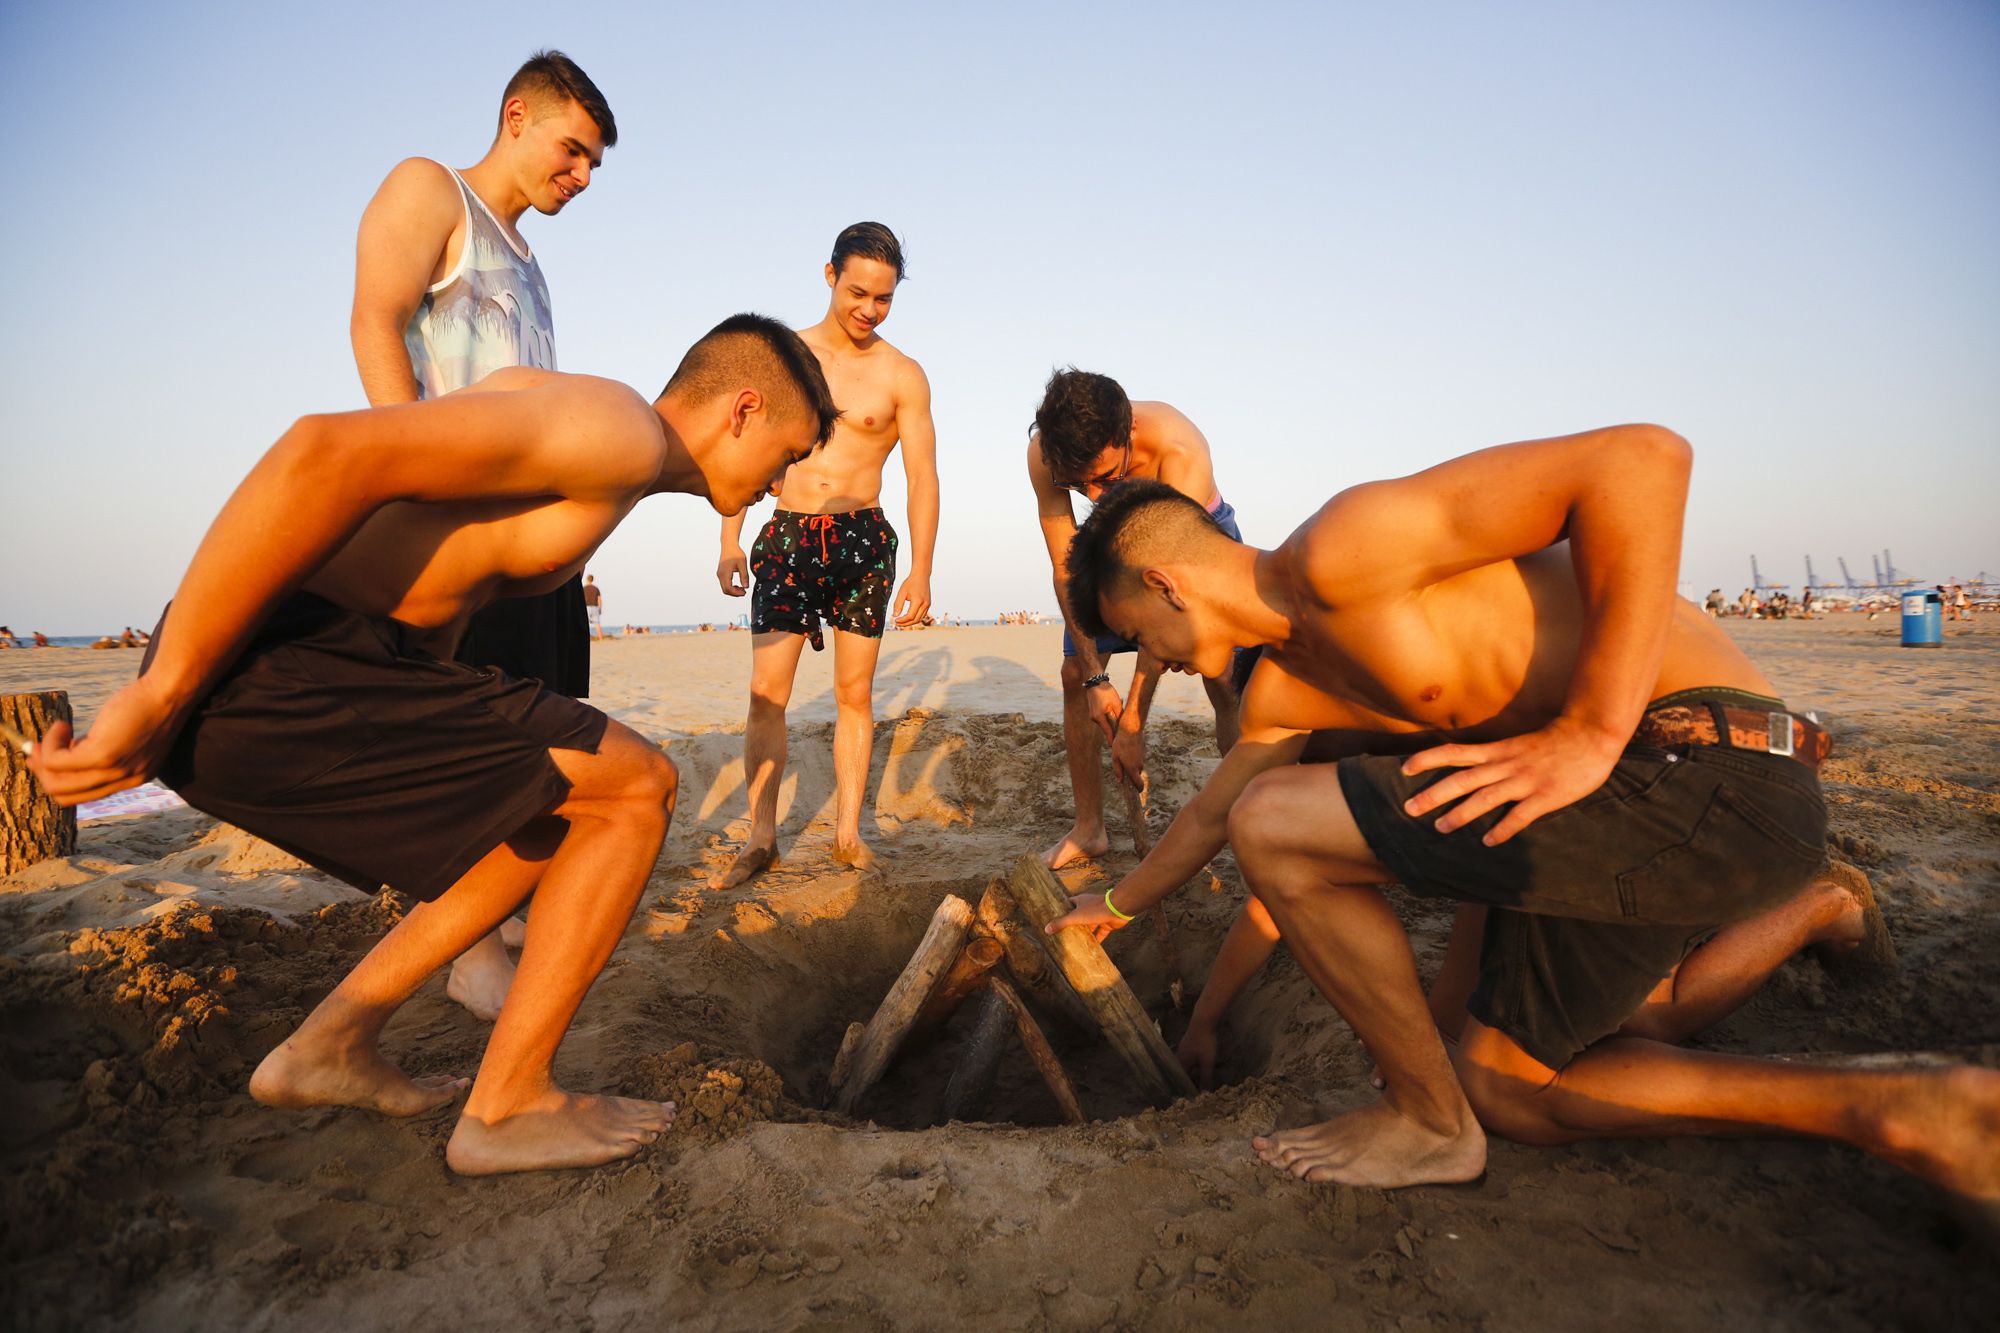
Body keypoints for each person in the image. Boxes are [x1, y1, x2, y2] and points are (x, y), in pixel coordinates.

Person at [1048, 426, 1999, 1213]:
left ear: (1165, 586)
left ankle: (1426, 1123)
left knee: (1277, 819)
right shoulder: (1286, 692)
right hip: (1611, 810)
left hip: (1709, 764)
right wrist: (1118, 909)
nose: (1153, 660)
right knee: (1504, 1083)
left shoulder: (1345, 547)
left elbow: (1643, 461)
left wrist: (1592, 728)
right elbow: (1210, 813)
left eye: (1137, 638)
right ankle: (1900, 1106)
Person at [28, 314, 839, 1175]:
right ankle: (509, 1104)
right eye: (788, 456)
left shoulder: (592, 433)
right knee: (642, 785)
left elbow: (437, 583)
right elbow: (322, 452)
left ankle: (331, 1042)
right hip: (271, 667)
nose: (783, 485)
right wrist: (163, 687)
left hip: (332, 665)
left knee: (546, 810)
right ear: (743, 409)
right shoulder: (617, 433)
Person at [349, 49, 616, 1020]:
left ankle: (497, 933)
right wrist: (416, 486)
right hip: (458, 530)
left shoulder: (532, 264)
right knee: (480, 744)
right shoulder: (433, 193)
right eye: (573, 149)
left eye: (593, 164)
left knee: (543, 739)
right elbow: (377, 324)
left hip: (532, 547)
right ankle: (466, 949)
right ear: (516, 114)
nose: (581, 177)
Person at [709, 223, 940, 889]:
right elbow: (743, 449)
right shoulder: (784, 355)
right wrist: (730, 537)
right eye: (859, 292)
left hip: (862, 542)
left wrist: (923, 567)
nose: (869, 309)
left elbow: (923, 476)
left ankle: (846, 834)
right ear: (830, 275)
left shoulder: (903, 375)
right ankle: (760, 838)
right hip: (786, 537)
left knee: (854, 694)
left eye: (885, 299)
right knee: (764, 693)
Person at [1028, 369, 1248, 869]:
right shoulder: (1045, 455)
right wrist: (1095, 678)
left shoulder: (1178, 448)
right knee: (1072, 677)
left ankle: (1242, 813)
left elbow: (1167, 603)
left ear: (1127, 434)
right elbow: (1066, 568)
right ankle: (1089, 831)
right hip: (1109, 543)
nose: (1092, 497)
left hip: (1193, 539)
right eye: (1077, 483)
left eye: (1106, 479)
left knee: (1224, 679)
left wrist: (1132, 721)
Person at [583, 575, 605, 639]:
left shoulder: (584, 588)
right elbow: (599, 599)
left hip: (587, 607)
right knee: (597, 624)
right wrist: (600, 608)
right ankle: (600, 637)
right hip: (595, 607)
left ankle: (586, 638)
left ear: (587, 580)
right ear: (592, 580)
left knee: (585, 624)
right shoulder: (596, 588)